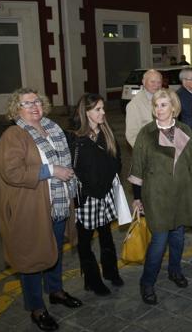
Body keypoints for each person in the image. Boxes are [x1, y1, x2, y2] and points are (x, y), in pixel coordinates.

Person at [0, 88, 82, 331]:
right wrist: (51, 171)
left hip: (57, 203)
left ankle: (55, 291)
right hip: (32, 208)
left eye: (37, 101)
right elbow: (11, 172)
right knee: (32, 258)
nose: (34, 106)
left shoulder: (52, 128)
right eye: (26, 103)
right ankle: (36, 308)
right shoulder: (14, 135)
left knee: (53, 251)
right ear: (17, 109)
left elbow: (65, 159)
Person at [128, 89, 192, 304]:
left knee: (178, 239)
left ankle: (175, 270)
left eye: (163, 105)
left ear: (174, 107)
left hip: (182, 196)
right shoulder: (146, 133)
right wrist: (137, 198)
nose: (159, 109)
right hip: (157, 197)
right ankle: (147, 282)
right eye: (156, 105)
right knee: (159, 243)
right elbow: (137, 169)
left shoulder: (185, 130)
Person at [69, 93, 123, 296]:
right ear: (86, 112)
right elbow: (74, 168)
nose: (103, 113)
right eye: (98, 109)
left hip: (105, 194)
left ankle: (111, 272)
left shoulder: (106, 133)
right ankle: (92, 280)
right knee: (85, 241)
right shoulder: (75, 138)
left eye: (103, 109)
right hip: (86, 198)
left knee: (107, 236)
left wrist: (108, 181)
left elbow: (117, 161)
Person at [125, 69, 163, 148]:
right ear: (143, 82)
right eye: (152, 82)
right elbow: (132, 135)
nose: (156, 85)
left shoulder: (165, 98)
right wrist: (146, 153)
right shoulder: (134, 105)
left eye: (159, 82)